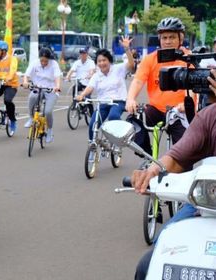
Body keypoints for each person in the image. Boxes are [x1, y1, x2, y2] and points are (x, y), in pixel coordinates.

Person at [132, 68, 216, 280]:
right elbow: (177, 157)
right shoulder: (208, 116)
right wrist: (153, 170)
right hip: (206, 203)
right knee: (150, 263)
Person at [126, 17, 193, 145]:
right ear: (159, 39)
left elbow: (191, 87)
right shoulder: (150, 59)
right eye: (164, 38)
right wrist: (130, 99)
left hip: (179, 111)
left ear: (181, 38)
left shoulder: (188, 58)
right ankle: (148, 157)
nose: (167, 41)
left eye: (172, 37)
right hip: (156, 110)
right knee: (133, 122)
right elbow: (138, 81)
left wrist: (185, 105)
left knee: (184, 150)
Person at [76, 36, 134, 140]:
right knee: (93, 124)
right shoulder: (97, 75)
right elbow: (90, 87)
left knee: (113, 116)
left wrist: (126, 49)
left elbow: (131, 65)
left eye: (104, 60)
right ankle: (92, 146)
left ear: (109, 60)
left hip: (118, 101)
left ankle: (122, 134)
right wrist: (82, 95)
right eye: (99, 61)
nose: (102, 63)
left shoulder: (118, 69)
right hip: (103, 103)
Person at [22, 47, 62, 143]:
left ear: (49, 59)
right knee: (32, 97)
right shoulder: (35, 63)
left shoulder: (54, 64)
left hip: (50, 89)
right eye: (42, 60)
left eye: (46, 61)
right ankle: (31, 118)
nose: (43, 63)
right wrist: (25, 82)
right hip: (37, 87)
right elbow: (26, 75)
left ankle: (49, 130)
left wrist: (57, 86)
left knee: (48, 111)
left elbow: (57, 77)